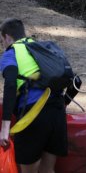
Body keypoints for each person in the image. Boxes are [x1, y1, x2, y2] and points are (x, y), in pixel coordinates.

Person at [0, 18, 67, 173]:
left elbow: (10, 84)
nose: (3, 45)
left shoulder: (11, 53)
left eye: (2, 41)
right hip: (57, 112)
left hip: (34, 116)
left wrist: (5, 128)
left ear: (7, 37)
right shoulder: (41, 47)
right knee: (48, 170)